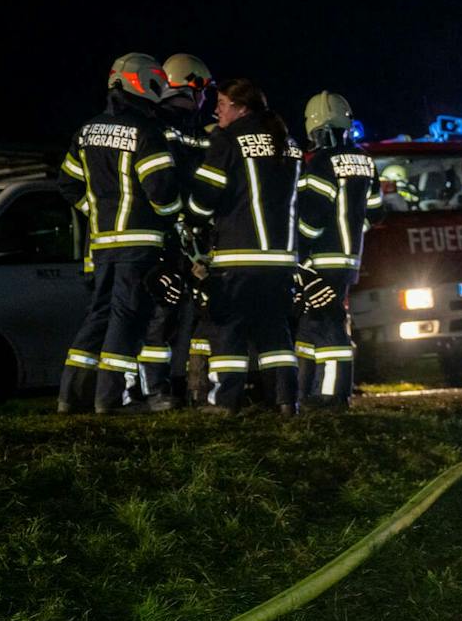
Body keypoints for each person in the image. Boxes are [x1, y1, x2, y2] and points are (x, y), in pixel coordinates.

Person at [57, 53, 182, 413]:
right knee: (127, 320)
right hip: (139, 244)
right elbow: (162, 191)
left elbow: (68, 184)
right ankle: (109, 400)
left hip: (102, 244)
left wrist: (95, 209)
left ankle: (70, 396)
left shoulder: (86, 131)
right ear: (143, 82)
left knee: (97, 317)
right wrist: (174, 220)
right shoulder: (147, 131)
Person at [186, 79, 302, 414]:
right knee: (275, 333)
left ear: (241, 107)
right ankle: (284, 402)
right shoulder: (289, 143)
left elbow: (206, 196)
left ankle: (224, 403)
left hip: (238, 256)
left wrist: (191, 217)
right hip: (282, 260)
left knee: (228, 331)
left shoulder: (227, 140)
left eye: (222, 103)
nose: (216, 109)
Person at [134, 53, 215, 409]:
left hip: (184, 237)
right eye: (203, 91)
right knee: (162, 315)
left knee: (182, 314)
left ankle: (175, 385)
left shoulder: (189, 129)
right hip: (165, 236)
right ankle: (154, 390)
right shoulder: (162, 127)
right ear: (193, 85)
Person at [294, 91, 380, 408]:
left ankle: (331, 397)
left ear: (315, 128)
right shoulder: (366, 161)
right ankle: (304, 391)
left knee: (328, 327)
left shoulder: (321, 163)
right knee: (310, 325)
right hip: (349, 259)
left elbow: (310, 219)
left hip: (321, 259)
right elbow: (376, 211)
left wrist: (297, 256)